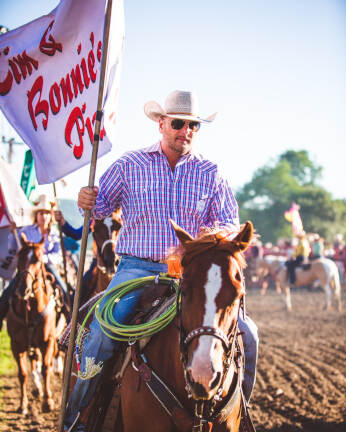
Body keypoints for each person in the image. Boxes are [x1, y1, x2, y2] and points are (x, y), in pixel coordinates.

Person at [63, 90, 259, 431]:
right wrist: (85, 198)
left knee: (249, 334)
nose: (186, 131)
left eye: (194, 126)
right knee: (101, 335)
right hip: (137, 269)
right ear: (161, 124)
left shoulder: (211, 172)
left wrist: (199, 245)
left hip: (192, 275)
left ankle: (237, 412)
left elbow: (229, 224)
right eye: (179, 123)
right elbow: (99, 208)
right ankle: (76, 419)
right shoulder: (130, 164)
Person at [0, 195, 70, 331]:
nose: (43, 216)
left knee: (65, 291)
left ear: (50, 216)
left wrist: (43, 259)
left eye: (46, 213)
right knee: (7, 293)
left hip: (48, 268)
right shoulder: (26, 230)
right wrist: (12, 231)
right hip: (29, 268)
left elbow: (58, 255)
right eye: (40, 213)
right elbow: (14, 246)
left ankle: (71, 323)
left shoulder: (55, 233)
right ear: (36, 216)